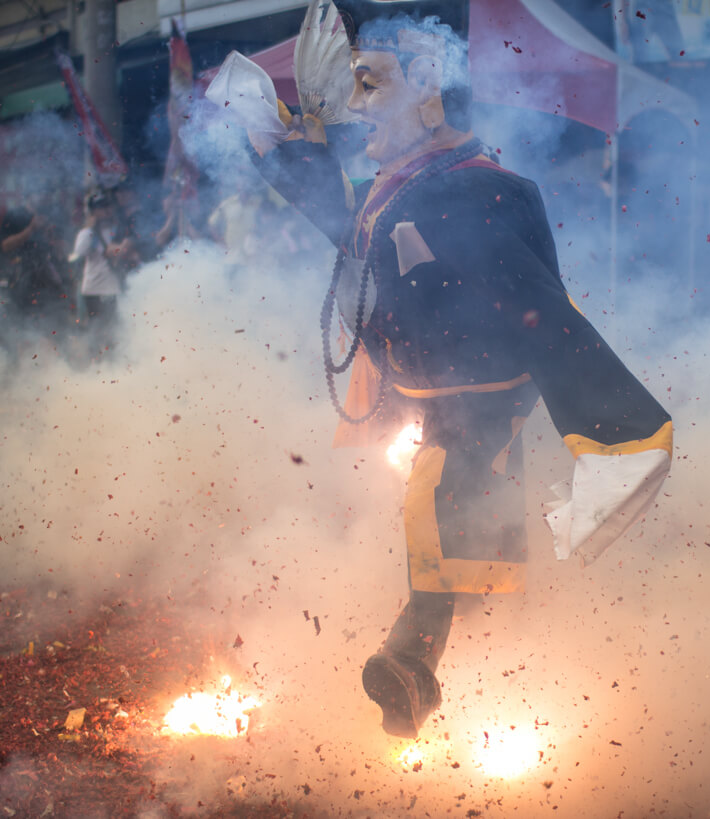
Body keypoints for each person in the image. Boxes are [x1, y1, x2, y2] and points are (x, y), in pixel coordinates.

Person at [243, 0, 673, 738]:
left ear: (429, 89)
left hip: (474, 408)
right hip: (415, 401)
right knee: (456, 532)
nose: (353, 109)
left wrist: (619, 432)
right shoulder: (406, 183)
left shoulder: (481, 191)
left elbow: (549, 320)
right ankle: (443, 664)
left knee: (442, 517)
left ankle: (413, 668)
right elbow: (344, 225)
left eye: (370, 86)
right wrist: (283, 149)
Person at [68, 189, 137, 352]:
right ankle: (96, 366)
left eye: (107, 206)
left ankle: (111, 366)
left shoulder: (117, 228)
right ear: (93, 211)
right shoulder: (88, 232)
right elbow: (79, 251)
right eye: (100, 207)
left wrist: (123, 247)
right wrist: (89, 229)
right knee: (96, 331)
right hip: (94, 289)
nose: (105, 210)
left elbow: (129, 247)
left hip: (113, 287)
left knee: (113, 331)